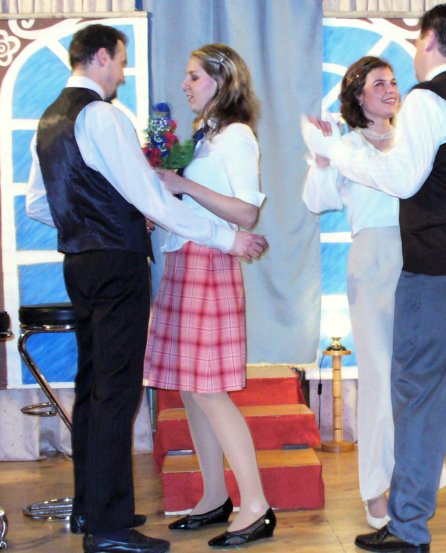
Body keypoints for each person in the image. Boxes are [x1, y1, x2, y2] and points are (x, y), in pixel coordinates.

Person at [25, 25, 266, 553]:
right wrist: (131, 222)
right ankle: (110, 527)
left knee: (96, 386)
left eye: (194, 76)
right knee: (115, 391)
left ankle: (94, 509)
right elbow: (149, 199)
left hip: (81, 261)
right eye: (121, 61)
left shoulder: (49, 119)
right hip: (119, 263)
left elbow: (39, 205)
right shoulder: (102, 115)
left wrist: (89, 223)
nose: (123, 72)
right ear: (102, 57)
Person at [302, 4, 446, 552]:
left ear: (427, 39)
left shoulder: (429, 98)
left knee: (418, 388)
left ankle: (407, 525)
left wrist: (332, 150)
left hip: (442, 263)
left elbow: (405, 180)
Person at [302, 56, 446, 530]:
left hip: (421, 256)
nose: (390, 89)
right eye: (378, 83)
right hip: (373, 261)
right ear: (358, 96)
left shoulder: (412, 139)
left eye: (393, 81)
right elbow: (317, 200)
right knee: (380, 376)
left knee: (418, 376)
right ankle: (375, 488)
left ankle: (415, 479)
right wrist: (321, 158)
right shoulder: (346, 145)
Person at [144, 44, 275, 547]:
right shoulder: (207, 137)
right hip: (185, 259)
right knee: (190, 389)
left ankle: (256, 506)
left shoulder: (236, 136)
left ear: (222, 81)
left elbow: (246, 213)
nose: (185, 84)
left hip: (209, 265)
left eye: (195, 76)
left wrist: (183, 186)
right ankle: (215, 496)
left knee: (209, 391)